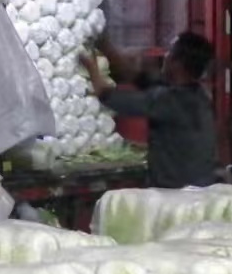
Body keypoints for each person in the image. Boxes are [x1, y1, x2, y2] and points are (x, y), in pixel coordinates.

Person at [81, 31, 219, 190]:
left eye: (170, 52)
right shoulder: (198, 95)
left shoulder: (169, 101)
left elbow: (106, 95)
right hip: (200, 189)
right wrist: (106, 47)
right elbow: (137, 77)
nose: (165, 56)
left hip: (176, 194)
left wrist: (90, 65)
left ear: (178, 63)